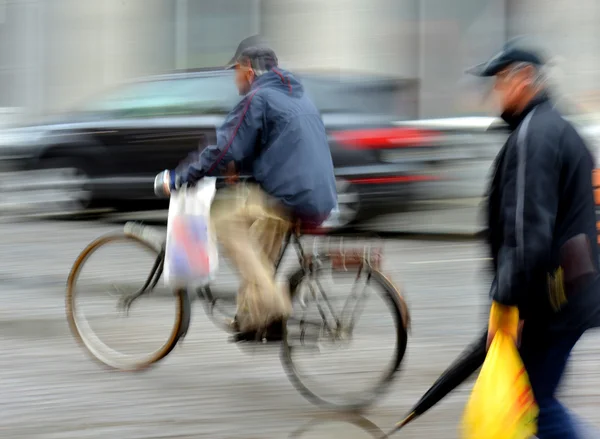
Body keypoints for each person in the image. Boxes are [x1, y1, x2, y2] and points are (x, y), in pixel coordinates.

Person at [157, 36, 337, 341]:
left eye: (236, 70)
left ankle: (275, 303)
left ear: (249, 70)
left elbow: (223, 146)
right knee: (256, 246)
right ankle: (255, 319)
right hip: (318, 195)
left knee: (223, 220)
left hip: (287, 195)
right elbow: (277, 145)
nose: (235, 78)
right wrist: (241, 168)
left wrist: (179, 178)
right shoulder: (296, 96)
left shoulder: (257, 98)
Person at [467, 39, 600, 438]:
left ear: (523, 79)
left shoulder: (534, 136)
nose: (495, 91)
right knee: (536, 403)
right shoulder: (556, 129)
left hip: (549, 301)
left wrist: (508, 305)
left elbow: (527, 231)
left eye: (500, 80)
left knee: (537, 406)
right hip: (566, 295)